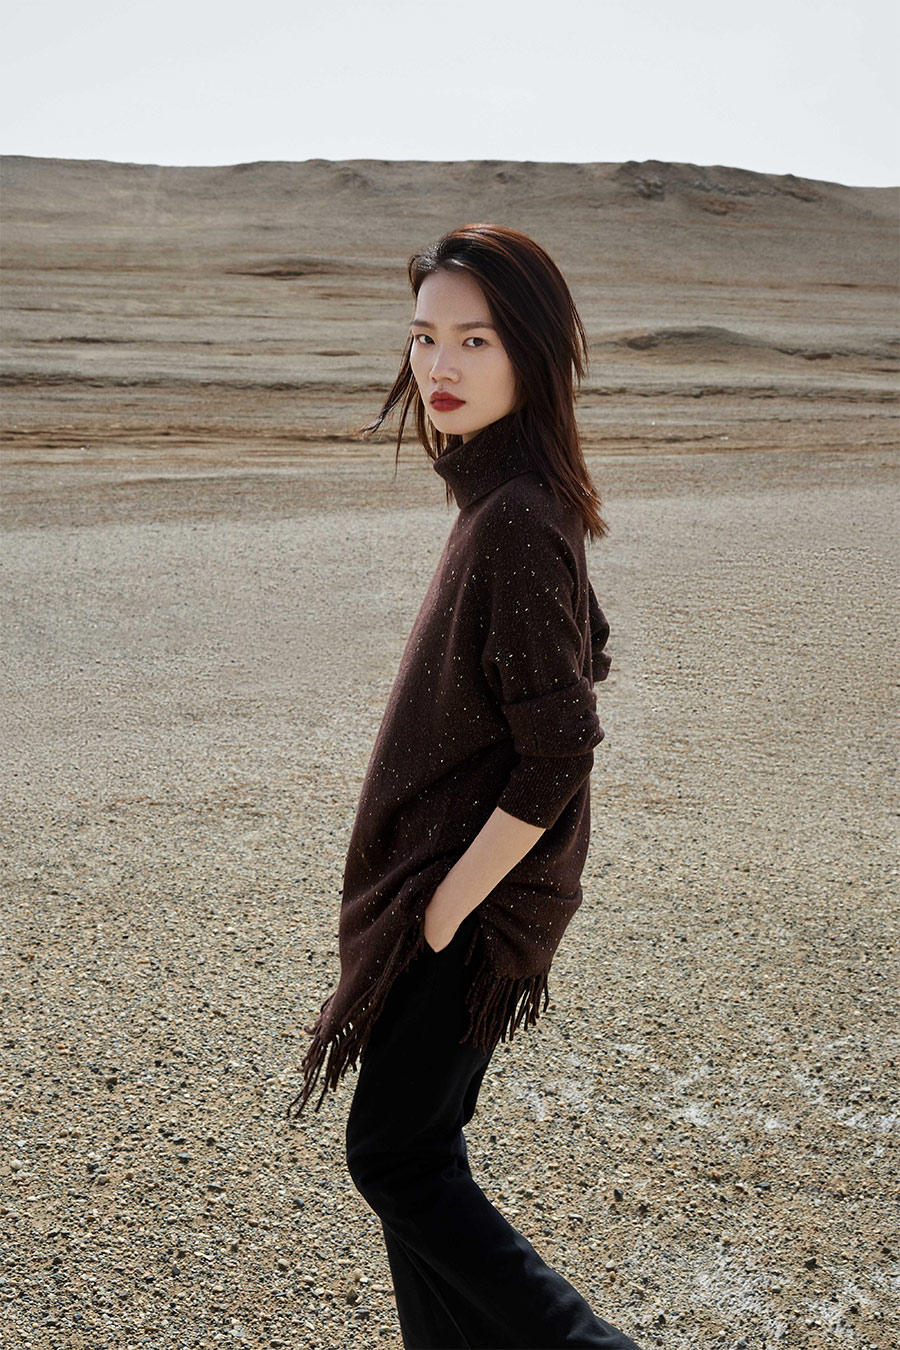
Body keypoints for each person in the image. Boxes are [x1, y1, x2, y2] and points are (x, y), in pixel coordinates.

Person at [286, 223, 641, 1350]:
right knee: (420, 1155)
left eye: (475, 339)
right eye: (424, 336)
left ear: (531, 351)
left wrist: (445, 908)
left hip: (468, 902)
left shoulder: (518, 518)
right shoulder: (505, 499)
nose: (439, 365)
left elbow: (561, 747)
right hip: (455, 895)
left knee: (395, 1158)